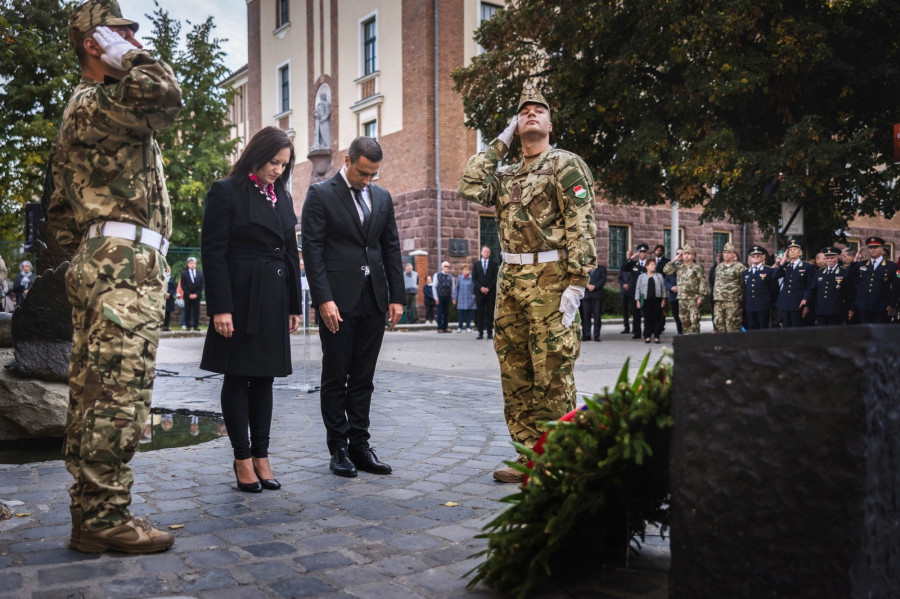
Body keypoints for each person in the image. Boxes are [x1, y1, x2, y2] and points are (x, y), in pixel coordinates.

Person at [46, 0, 182, 554]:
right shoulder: (97, 102)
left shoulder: (95, 107)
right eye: (120, 33)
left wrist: (92, 251)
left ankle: (94, 513)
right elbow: (167, 91)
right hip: (122, 264)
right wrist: (130, 55)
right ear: (92, 44)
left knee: (97, 389)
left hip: (110, 260)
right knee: (117, 395)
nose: (132, 40)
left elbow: (58, 216)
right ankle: (105, 517)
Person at [458, 81, 597, 483]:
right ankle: (526, 453)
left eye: (538, 109)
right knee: (516, 370)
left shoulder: (565, 164)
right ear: (515, 126)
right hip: (511, 278)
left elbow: (581, 223)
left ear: (551, 123)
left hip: (552, 278)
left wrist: (578, 281)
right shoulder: (505, 175)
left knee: (552, 370)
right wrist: (499, 144)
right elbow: (469, 185)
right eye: (523, 112)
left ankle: (558, 455)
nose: (531, 113)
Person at [199, 126, 302, 493]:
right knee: (238, 376)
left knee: (265, 378)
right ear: (256, 155)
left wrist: (293, 305)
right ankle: (242, 458)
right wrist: (220, 308)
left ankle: (262, 456)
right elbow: (213, 253)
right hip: (240, 297)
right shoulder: (225, 191)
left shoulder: (283, 197)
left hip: (274, 297)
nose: (278, 169)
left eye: (284, 164)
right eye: (273, 161)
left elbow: (291, 252)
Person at [301, 136, 403, 478]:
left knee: (364, 377)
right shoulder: (320, 194)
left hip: (373, 299)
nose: (367, 181)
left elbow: (391, 248)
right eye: (362, 173)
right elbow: (312, 252)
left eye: (373, 174)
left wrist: (397, 296)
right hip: (337, 303)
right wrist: (323, 299)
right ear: (347, 161)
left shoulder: (382, 197)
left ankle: (361, 445)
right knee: (336, 377)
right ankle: (339, 449)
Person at [847, 236, 898, 324]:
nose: (872, 250)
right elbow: (848, 275)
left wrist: (892, 304)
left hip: (881, 306)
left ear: (881, 248)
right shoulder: (862, 264)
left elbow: (896, 287)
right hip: (863, 305)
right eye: (870, 247)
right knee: (865, 333)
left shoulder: (891, 266)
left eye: (876, 247)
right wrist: (856, 259)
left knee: (879, 334)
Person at [663, 245, 708, 334]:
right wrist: (675, 259)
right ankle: (687, 344)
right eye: (684, 254)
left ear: (693, 256)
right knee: (684, 323)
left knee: (694, 322)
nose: (686, 256)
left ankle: (695, 344)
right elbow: (666, 270)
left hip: (693, 300)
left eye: (688, 254)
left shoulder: (697, 268)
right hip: (682, 299)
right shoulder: (678, 268)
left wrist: (701, 297)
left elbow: (702, 283)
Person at [773, 239, 815, 328]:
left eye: (795, 249)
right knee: (786, 328)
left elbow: (810, 286)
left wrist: (805, 300)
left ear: (800, 253)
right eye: (790, 250)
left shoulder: (806, 266)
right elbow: (774, 276)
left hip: (798, 303)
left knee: (796, 328)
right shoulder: (785, 265)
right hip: (785, 303)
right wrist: (782, 262)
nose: (792, 251)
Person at [712, 242, 746, 333]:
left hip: (732, 301)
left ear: (733, 254)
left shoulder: (739, 267)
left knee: (732, 326)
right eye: (725, 252)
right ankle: (721, 346)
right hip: (719, 301)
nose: (726, 254)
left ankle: (734, 346)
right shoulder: (719, 267)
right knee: (719, 324)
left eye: (728, 252)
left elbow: (743, 284)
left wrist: (740, 299)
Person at [743, 245, 778, 329]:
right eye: (753, 256)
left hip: (763, 306)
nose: (755, 257)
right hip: (750, 306)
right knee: (752, 330)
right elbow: (744, 289)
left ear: (763, 257)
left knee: (763, 330)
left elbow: (774, 290)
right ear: (750, 258)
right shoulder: (745, 273)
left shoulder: (769, 271)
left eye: (758, 256)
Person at [813, 246, 850, 326]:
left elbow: (849, 292)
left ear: (837, 259)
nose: (829, 260)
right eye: (827, 258)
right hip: (821, 310)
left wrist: (850, 308)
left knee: (835, 335)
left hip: (836, 310)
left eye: (832, 258)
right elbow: (815, 291)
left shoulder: (844, 272)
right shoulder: (819, 272)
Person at [622, 244, 650, 339]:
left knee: (647, 313)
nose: (642, 254)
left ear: (646, 253)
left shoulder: (650, 263)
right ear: (638, 253)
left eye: (644, 252)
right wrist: (631, 257)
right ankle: (637, 332)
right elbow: (623, 267)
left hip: (646, 291)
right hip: (635, 292)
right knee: (636, 313)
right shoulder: (634, 264)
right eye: (640, 252)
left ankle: (647, 332)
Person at [635, 259, 665, 343]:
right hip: (645, 300)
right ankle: (647, 336)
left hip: (657, 300)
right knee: (647, 318)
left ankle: (656, 336)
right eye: (652, 264)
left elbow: (663, 288)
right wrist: (637, 301)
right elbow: (638, 289)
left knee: (657, 318)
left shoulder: (659, 276)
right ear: (647, 266)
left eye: (654, 265)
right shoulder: (641, 276)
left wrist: (663, 300)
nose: (654, 266)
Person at [473, 246, 498, 339]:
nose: (486, 253)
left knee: (490, 313)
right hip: (479, 293)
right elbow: (474, 279)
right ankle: (480, 333)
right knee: (480, 313)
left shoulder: (493, 265)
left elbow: (495, 278)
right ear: (481, 253)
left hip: (490, 293)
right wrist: (481, 288)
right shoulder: (476, 265)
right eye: (485, 251)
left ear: (489, 253)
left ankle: (489, 332)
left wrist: (488, 288)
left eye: (488, 251)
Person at [580, 263, 607, 341]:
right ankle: (586, 335)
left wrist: (595, 286)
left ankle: (596, 335)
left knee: (597, 316)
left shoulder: (602, 268)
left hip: (597, 295)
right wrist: (587, 285)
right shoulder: (584, 268)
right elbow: (581, 278)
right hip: (586, 295)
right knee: (585, 316)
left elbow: (603, 279)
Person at [180, 257, 204, 330]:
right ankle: (188, 326)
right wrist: (189, 294)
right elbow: (183, 285)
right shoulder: (184, 273)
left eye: (194, 263)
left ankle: (196, 326)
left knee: (196, 311)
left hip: (197, 296)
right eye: (191, 263)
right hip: (188, 296)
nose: (192, 265)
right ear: (188, 264)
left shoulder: (200, 273)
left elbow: (202, 285)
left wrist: (196, 294)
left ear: (196, 264)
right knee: (187, 310)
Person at [663, 247, 683, 335]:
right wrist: (671, 288)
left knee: (684, 316)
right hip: (673, 296)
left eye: (681, 254)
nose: (679, 256)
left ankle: (686, 334)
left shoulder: (687, 266)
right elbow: (666, 281)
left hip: (684, 296)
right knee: (676, 316)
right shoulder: (671, 267)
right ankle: (680, 333)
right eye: (677, 254)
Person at [433, 261, 455, 333]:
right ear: (442, 267)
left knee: (446, 313)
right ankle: (439, 327)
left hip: (447, 296)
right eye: (445, 266)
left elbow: (453, 288)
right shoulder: (437, 275)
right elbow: (434, 287)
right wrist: (436, 297)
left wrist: (453, 297)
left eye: (448, 266)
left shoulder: (451, 277)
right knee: (439, 312)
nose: (446, 268)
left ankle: (445, 327)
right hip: (439, 296)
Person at [454, 263, 476, 332]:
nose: (466, 271)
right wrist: (454, 297)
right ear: (462, 271)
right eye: (464, 270)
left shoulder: (472, 278)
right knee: (461, 314)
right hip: (461, 298)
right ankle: (459, 327)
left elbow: (475, 288)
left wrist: (474, 296)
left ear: (469, 271)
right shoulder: (459, 278)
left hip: (470, 298)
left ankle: (468, 327)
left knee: (468, 314)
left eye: (467, 269)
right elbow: (456, 288)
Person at [616, 249, 634, 334]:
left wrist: (629, 285)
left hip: (632, 290)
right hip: (623, 290)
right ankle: (626, 327)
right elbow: (619, 278)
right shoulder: (623, 266)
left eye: (630, 255)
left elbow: (635, 278)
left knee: (633, 310)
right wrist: (624, 284)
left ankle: (635, 328)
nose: (629, 256)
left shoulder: (634, 266)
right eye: (627, 255)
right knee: (625, 309)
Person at [163, 265, 176, 330]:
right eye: (166, 269)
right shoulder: (161, 277)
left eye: (168, 269)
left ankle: (167, 326)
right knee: (163, 312)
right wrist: (164, 294)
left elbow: (174, 288)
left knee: (168, 313)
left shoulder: (171, 279)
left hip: (169, 298)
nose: (167, 270)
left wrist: (169, 294)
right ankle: (162, 326)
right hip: (163, 298)